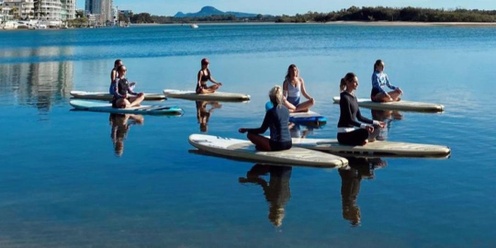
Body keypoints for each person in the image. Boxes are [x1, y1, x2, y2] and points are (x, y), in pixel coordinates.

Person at [338, 72, 386, 146]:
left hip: (352, 132)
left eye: (357, 82)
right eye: (355, 82)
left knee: (377, 128)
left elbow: (360, 117)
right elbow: (349, 120)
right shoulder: (344, 98)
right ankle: (363, 139)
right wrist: (364, 126)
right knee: (365, 132)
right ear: (348, 82)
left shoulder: (354, 97)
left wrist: (376, 122)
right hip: (344, 135)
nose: (357, 84)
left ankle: (363, 140)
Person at [239, 85, 292, 151]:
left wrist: (246, 130)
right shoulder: (286, 110)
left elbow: (262, 130)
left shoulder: (271, 112)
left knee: (250, 135)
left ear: (270, 98)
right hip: (289, 143)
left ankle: (262, 148)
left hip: (278, 145)